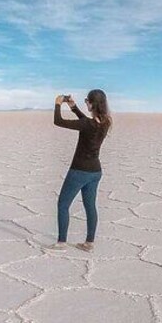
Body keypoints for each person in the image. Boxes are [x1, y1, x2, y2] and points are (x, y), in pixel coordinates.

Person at [52, 90, 112, 250]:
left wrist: (58, 103)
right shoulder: (105, 122)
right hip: (95, 172)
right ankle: (89, 242)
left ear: (92, 103)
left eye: (87, 100)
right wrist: (73, 107)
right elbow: (86, 123)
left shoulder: (87, 124)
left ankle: (61, 242)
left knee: (63, 205)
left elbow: (58, 121)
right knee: (90, 206)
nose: (86, 102)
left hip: (79, 171)